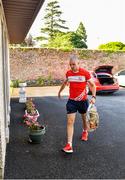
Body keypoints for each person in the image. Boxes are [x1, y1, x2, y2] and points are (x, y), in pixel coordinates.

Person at [58, 54, 96, 153]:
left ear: (78, 63)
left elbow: (93, 86)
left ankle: (85, 131)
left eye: (74, 64)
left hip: (83, 101)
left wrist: (93, 97)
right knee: (70, 121)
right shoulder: (68, 73)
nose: (72, 66)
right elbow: (65, 82)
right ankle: (69, 145)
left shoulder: (85, 73)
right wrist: (60, 91)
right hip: (72, 101)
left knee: (84, 119)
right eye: (70, 65)